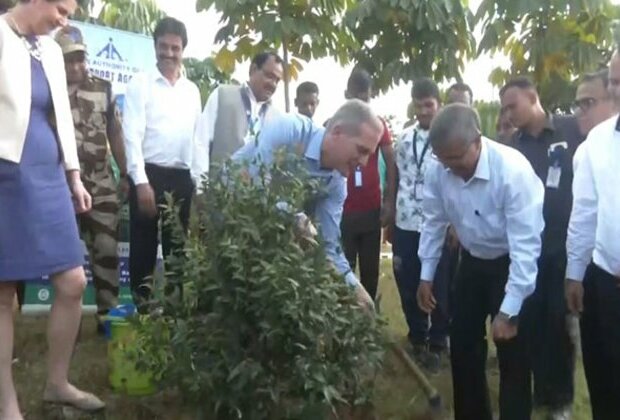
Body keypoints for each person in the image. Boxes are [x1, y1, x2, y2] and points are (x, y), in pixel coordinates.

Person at [0, 1, 106, 418]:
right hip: (6, 176)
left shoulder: (50, 48)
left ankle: (57, 383)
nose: (66, 20)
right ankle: (7, 404)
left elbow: (61, 115)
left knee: (74, 281)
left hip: (49, 175)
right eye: (61, 9)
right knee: (2, 293)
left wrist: (75, 176)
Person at [417, 104, 545, 420]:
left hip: (510, 265)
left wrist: (509, 308)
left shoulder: (512, 171)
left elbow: (525, 248)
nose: (451, 167)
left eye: (457, 158)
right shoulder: (440, 169)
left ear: (477, 141)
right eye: (443, 159)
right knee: (462, 346)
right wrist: (426, 274)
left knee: (513, 354)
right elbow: (432, 221)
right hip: (472, 263)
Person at [232, 99, 384, 310]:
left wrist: (355, 290)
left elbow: (328, 247)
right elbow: (251, 183)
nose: (364, 162)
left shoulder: (336, 185)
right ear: (337, 132)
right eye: (362, 150)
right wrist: (296, 218)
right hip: (228, 219)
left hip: (263, 239)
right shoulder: (289, 130)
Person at [500, 77, 582, 419]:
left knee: (559, 325)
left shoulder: (571, 130)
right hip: (526, 250)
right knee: (530, 323)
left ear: (533, 97)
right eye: (504, 108)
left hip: (563, 247)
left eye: (512, 105)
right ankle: (537, 391)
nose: (508, 114)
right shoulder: (511, 148)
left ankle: (559, 400)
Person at [123, 17, 206, 312]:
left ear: (183, 50)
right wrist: (140, 180)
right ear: (155, 46)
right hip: (148, 175)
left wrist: (200, 184)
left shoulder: (192, 91)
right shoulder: (141, 83)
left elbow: (198, 140)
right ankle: (142, 310)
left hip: (182, 178)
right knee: (143, 245)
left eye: (175, 48)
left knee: (176, 248)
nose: (169, 53)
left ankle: (174, 312)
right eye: (164, 47)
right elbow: (131, 134)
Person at [55, 25, 127, 333]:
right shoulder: (48, 90)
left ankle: (107, 318)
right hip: (61, 185)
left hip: (102, 183)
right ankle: (63, 320)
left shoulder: (104, 88)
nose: (76, 66)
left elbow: (116, 133)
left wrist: (125, 173)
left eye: (80, 58)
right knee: (62, 257)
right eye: (69, 60)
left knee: (107, 250)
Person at [565, 49, 620, 420]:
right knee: (605, 381)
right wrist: (575, 271)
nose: (618, 91)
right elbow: (584, 211)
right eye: (615, 82)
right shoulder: (595, 143)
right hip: (604, 282)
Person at [392, 78, 455, 373]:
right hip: (405, 220)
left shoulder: (448, 139)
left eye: (428, 105)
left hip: (437, 222)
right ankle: (417, 335)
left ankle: (438, 340)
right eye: (418, 105)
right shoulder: (403, 139)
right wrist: (388, 214)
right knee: (408, 279)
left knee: (439, 282)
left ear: (438, 104)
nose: (423, 111)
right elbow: (395, 178)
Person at [338, 69, 396, 300]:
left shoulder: (378, 125)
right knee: (344, 268)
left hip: (372, 210)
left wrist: (389, 201)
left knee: (371, 271)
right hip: (343, 210)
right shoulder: (336, 124)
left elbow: (391, 162)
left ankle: (369, 317)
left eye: (366, 98)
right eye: (356, 97)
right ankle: (346, 319)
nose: (362, 103)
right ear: (346, 94)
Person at [198, 51, 283, 172]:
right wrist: (201, 186)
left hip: (258, 189)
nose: (273, 84)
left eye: (277, 80)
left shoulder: (276, 118)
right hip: (218, 188)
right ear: (253, 69)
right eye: (269, 76)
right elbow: (201, 143)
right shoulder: (222, 95)